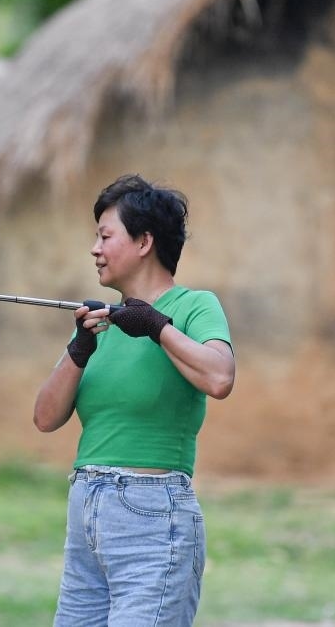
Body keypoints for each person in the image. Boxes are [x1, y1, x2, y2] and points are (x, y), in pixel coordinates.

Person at [34, 174, 235, 626]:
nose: (94, 249)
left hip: (153, 517)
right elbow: (45, 418)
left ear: (144, 241)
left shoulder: (194, 307)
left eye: (105, 236)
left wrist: (156, 327)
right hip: (86, 515)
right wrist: (78, 349)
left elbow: (220, 377)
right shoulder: (101, 325)